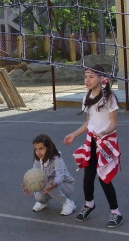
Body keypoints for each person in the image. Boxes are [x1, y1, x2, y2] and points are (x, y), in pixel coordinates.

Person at [63, 65, 123, 228]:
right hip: (92, 141)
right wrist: (74, 134)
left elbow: (114, 123)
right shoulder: (86, 97)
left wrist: (104, 132)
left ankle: (116, 212)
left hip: (106, 142)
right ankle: (89, 204)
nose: (87, 80)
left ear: (101, 78)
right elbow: (89, 122)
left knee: (104, 177)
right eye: (85, 77)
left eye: (91, 76)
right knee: (88, 177)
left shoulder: (109, 97)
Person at [23, 134, 76, 216]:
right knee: (38, 196)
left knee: (47, 185)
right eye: (36, 149)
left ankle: (68, 203)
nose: (38, 152)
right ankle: (44, 203)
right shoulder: (38, 160)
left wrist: (54, 184)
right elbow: (35, 175)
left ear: (48, 148)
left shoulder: (56, 158)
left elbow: (60, 177)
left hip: (66, 185)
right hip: (49, 184)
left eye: (41, 149)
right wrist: (29, 185)